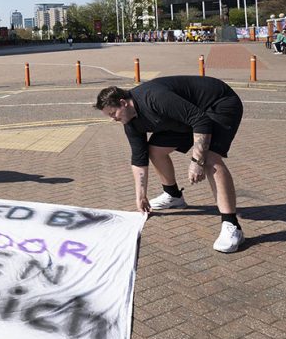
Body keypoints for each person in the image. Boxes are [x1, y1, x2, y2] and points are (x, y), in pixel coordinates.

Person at [94, 76, 245, 253]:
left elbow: (200, 120)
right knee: (154, 151)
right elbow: (139, 158)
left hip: (219, 103)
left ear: (123, 103)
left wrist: (197, 161)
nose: (113, 119)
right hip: (187, 119)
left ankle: (232, 225)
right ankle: (173, 196)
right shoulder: (131, 123)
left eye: (113, 114)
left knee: (210, 158)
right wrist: (141, 196)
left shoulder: (154, 98)